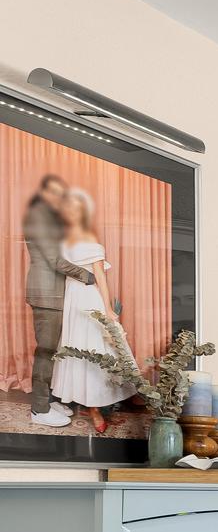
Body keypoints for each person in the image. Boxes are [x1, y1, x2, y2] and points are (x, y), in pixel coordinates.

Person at [47, 188, 135, 435]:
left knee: (94, 348)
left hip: (89, 299)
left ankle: (95, 406)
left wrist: (108, 309)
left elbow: (100, 279)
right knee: (74, 349)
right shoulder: (60, 239)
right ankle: (79, 398)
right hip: (70, 301)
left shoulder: (90, 238)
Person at [21, 173, 99, 428]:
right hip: (47, 295)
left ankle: (49, 399)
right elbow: (56, 261)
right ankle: (39, 409)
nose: (57, 198)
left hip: (56, 295)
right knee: (45, 352)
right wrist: (89, 276)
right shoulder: (37, 216)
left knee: (54, 352)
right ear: (43, 194)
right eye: (52, 192)